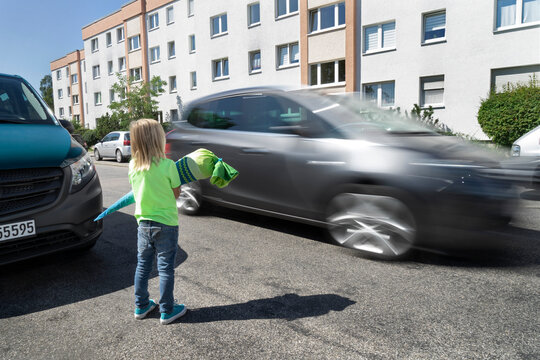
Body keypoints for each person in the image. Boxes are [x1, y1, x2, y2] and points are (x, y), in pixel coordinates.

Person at [128, 118, 187, 325]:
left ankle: (141, 305)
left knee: (142, 266)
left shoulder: (133, 166)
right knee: (165, 269)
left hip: (143, 224)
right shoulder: (168, 165)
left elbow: (137, 193)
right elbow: (176, 194)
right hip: (167, 225)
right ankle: (167, 310)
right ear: (158, 140)